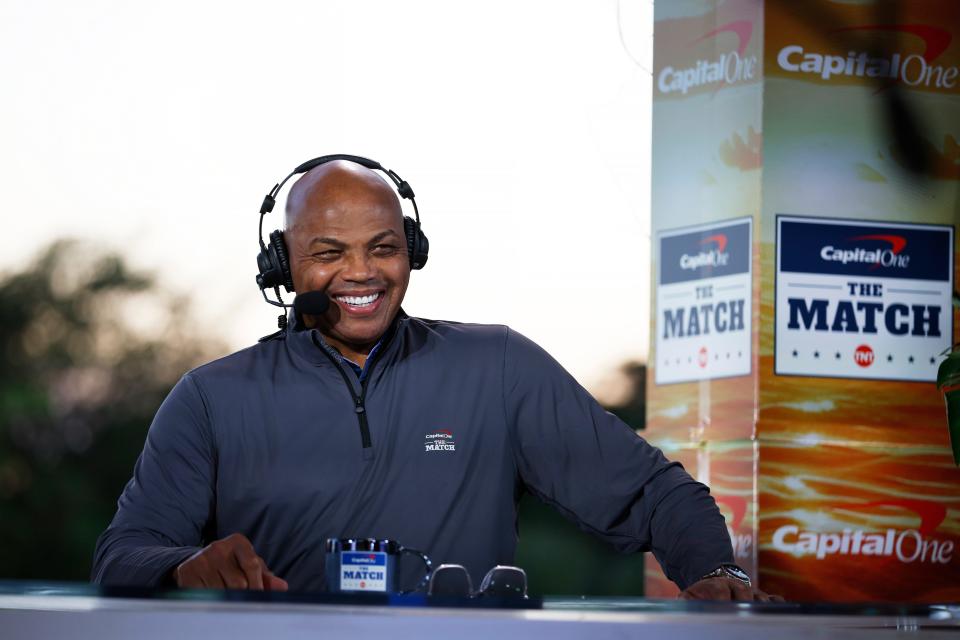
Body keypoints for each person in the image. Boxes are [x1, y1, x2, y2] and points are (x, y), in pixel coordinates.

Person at [92, 159, 777, 601]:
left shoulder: (498, 366)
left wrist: (721, 576)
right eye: (329, 253)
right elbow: (121, 557)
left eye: (383, 248)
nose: (361, 273)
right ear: (284, 267)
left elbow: (656, 493)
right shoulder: (210, 398)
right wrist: (184, 569)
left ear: (411, 251)